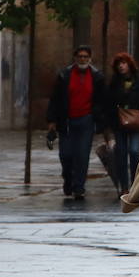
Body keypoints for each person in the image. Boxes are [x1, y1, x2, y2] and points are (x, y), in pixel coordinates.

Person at [46, 45, 109, 199]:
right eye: (80, 56)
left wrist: (101, 121)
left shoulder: (97, 77)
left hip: (86, 121)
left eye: (85, 57)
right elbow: (55, 99)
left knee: (82, 155)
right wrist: (51, 121)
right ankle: (68, 179)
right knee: (66, 155)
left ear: (90, 59)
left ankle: (79, 187)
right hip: (67, 121)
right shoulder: (64, 76)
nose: (83, 59)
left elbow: (103, 100)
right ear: (75, 58)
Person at [107, 52, 139, 197]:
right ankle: (124, 186)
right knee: (121, 153)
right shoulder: (114, 83)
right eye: (119, 64)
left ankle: (135, 183)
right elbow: (108, 103)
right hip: (119, 122)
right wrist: (107, 124)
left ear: (129, 65)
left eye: (124, 63)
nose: (121, 66)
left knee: (134, 151)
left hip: (135, 121)